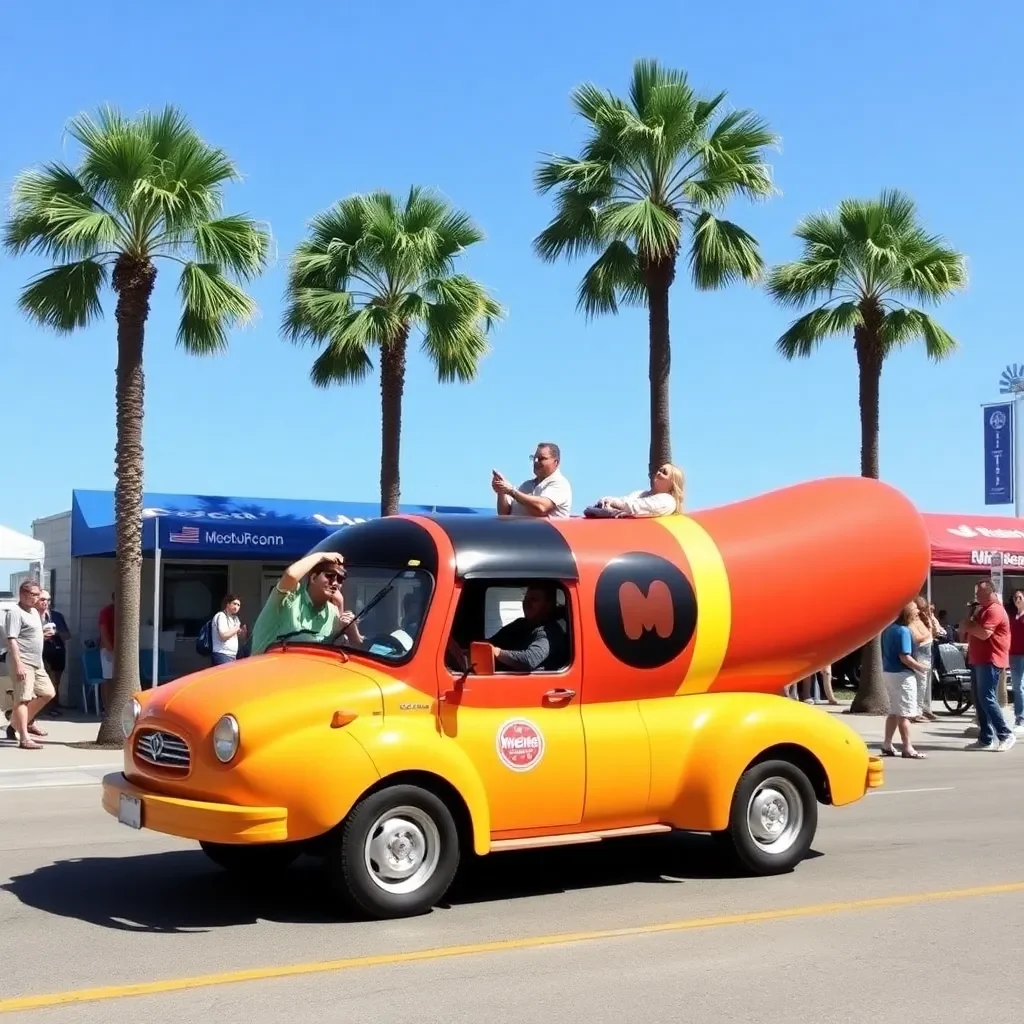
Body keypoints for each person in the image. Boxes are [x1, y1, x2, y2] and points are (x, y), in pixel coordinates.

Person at [249, 552, 363, 656]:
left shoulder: (332, 612)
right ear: (313, 578)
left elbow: (349, 653)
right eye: (329, 576)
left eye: (340, 579)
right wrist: (321, 556)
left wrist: (352, 631)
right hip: (263, 672)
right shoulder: (290, 598)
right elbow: (291, 575)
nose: (335, 583)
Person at [449, 584, 568, 672]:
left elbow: (529, 660)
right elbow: (492, 643)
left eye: (534, 600)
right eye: (525, 598)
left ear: (548, 605)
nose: (526, 603)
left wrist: (497, 652)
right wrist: (470, 650)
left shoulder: (550, 631)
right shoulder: (520, 624)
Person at [960, 581, 1015, 751]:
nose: (976, 596)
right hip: (978, 660)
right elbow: (965, 630)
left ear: (990, 593)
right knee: (979, 699)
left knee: (987, 698)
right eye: (976, 593)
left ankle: (1005, 734)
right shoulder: (981, 610)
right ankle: (986, 738)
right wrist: (970, 618)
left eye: (980, 593)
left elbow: (984, 634)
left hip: (991, 660)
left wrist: (969, 626)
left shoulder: (994, 610)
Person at [2, 580, 54, 750]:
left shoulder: (34, 612)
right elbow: (12, 640)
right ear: (23, 594)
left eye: (38, 595)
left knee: (48, 693)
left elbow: (31, 636)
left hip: (37, 663)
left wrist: (44, 636)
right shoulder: (15, 613)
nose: (37, 598)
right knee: (23, 699)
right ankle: (24, 738)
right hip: (23, 662)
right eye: (34, 595)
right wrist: (18, 664)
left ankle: (15, 724)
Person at [880, 601, 928, 759]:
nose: (917, 613)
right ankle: (907, 747)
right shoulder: (903, 631)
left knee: (894, 712)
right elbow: (905, 657)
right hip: (902, 675)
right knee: (904, 714)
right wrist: (920, 667)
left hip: (889, 673)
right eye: (914, 610)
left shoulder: (888, 629)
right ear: (906, 612)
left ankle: (887, 744)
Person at [492, 442, 572, 518]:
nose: (536, 461)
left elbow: (541, 507)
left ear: (556, 462)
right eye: (534, 458)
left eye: (541, 458)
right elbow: (504, 514)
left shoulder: (560, 484)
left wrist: (512, 491)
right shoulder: (527, 485)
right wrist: (501, 492)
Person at [587, 463, 685, 518]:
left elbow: (635, 507)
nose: (659, 473)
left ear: (673, 483)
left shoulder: (668, 501)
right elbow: (626, 500)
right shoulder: (641, 493)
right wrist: (606, 500)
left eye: (664, 472)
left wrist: (613, 503)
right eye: (659, 470)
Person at [37, 590, 70, 716]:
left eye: (48, 600)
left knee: (56, 680)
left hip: (57, 650)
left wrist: (56, 632)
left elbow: (67, 635)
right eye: (43, 599)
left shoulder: (57, 616)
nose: (46, 602)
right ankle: (44, 707)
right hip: (41, 651)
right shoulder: (33, 615)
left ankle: (53, 705)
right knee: (44, 680)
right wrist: (42, 634)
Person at [211, 595, 247, 667]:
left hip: (232, 655)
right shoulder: (221, 616)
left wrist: (243, 632)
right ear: (228, 604)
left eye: (238, 605)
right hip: (222, 654)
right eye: (234, 604)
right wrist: (236, 628)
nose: (236, 607)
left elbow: (241, 637)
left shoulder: (235, 618)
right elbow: (223, 636)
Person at [1008, 590, 1024, 736]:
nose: (1017, 600)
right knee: (1017, 687)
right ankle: (1020, 717)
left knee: (1020, 687)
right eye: (1015, 597)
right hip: (1014, 655)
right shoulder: (1013, 617)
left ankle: (1021, 718)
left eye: (1019, 597)